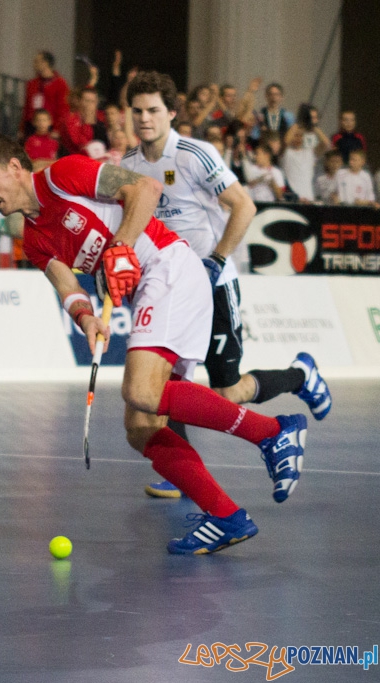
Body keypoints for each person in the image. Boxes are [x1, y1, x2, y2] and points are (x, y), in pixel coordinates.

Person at [0, 132, 311, 555]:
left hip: (168, 268)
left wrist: (120, 245)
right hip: (149, 288)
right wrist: (84, 315)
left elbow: (145, 189)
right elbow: (66, 284)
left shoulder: (64, 175)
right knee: (140, 429)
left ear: (14, 168)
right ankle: (226, 516)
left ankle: (274, 432)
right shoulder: (34, 238)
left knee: (141, 392)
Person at [121, 71, 331, 499]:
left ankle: (299, 375)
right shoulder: (126, 166)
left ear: (172, 113)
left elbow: (244, 205)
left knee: (226, 390)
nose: (145, 118)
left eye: (153, 110)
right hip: (169, 288)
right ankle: (176, 472)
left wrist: (217, 260)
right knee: (165, 382)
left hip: (214, 284)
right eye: (138, 111)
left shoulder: (195, 154)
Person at [19, 50, 69, 138]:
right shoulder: (32, 83)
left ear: (45, 63)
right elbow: (26, 107)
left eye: (37, 61)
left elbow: (63, 108)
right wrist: (22, 129)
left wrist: (57, 129)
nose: (34, 64)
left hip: (49, 126)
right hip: (32, 125)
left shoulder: (60, 84)